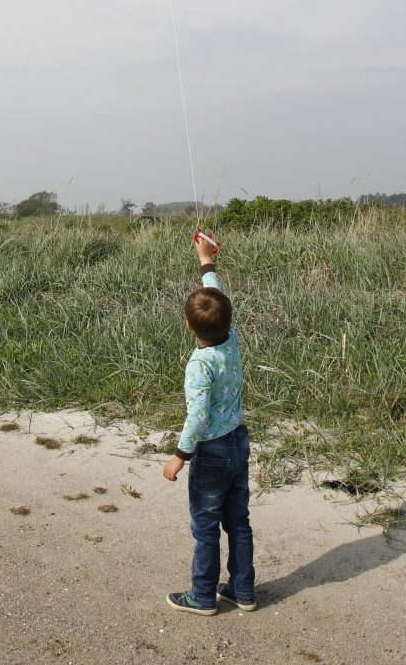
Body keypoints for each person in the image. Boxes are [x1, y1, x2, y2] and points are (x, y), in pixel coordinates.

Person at [162, 233, 255, 616]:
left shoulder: (199, 366)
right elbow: (216, 296)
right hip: (238, 442)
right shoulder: (231, 339)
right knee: (238, 521)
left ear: (188, 326)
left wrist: (179, 456)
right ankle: (242, 590)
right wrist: (206, 261)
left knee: (205, 527)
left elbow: (197, 416)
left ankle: (202, 596)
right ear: (229, 322)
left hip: (212, 452)